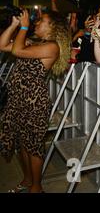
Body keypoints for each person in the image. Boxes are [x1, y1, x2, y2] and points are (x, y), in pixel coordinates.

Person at [0, 10, 71, 193]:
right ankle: (28, 179)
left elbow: (17, 50)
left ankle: (37, 187)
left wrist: (24, 26)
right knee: (23, 143)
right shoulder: (35, 42)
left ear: (52, 27)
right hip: (18, 99)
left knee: (33, 146)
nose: (36, 23)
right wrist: (15, 25)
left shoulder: (52, 47)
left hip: (34, 102)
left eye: (41, 21)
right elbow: (2, 45)